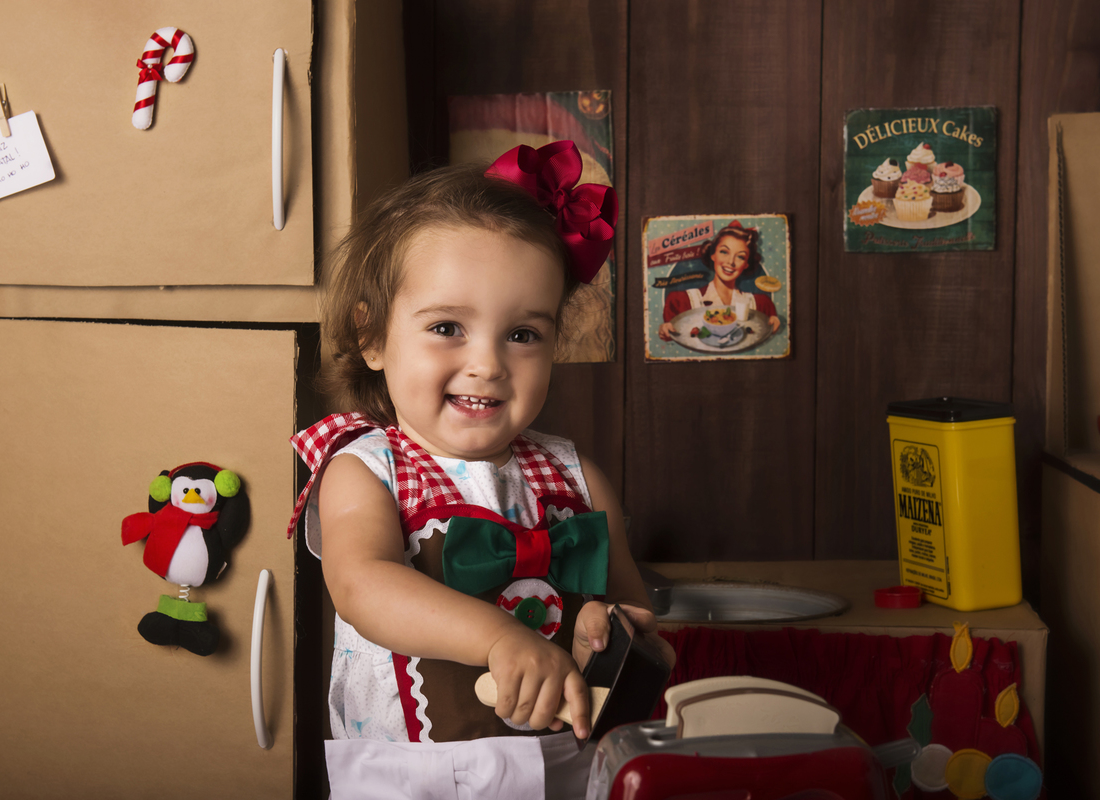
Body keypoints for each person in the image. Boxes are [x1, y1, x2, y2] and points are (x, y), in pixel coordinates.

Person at [286, 140, 673, 800]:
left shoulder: (577, 475)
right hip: (416, 777)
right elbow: (363, 585)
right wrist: (499, 638)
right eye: (447, 328)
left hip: (565, 770)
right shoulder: (363, 470)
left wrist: (605, 629)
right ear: (373, 335)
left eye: (523, 334)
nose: (488, 363)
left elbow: (630, 611)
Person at [657, 221, 781, 341]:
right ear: (713, 254)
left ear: (746, 264)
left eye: (740, 256)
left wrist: (773, 324)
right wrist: (665, 330)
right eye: (724, 252)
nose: (730, 262)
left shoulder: (761, 304)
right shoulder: (681, 301)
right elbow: (674, 337)